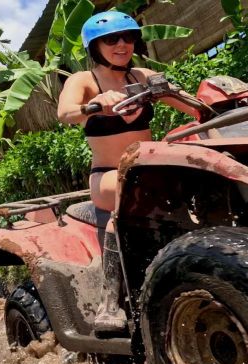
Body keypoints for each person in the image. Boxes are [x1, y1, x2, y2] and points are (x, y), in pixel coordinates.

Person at [56, 11, 196, 332]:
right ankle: (110, 301)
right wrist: (94, 106)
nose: (122, 44)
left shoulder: (143, 76)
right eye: (112, 39)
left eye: (129, 37)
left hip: (151, 169)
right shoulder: (84, 81)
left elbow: (189, 104)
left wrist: (227, 104)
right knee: (129, 192)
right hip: (108, 175)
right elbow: (65, 113)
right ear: (95, 46)